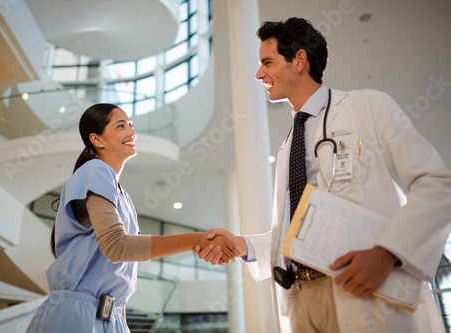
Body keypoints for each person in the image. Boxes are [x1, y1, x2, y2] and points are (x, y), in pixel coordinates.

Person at [195, 17, 451, 333]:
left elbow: (437, 184)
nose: (259, 74)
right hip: (301, 299)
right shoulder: (290, 143)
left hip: (361, 290)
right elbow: (297, 232)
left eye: (267, 62)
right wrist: (242, 244)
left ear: (299, 60)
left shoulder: (367, 107)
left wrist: (388, 253)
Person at [27, 103, 238, 333]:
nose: (131, 132)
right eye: (121, 126)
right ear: (97, 140)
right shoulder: (95, 170)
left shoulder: (123, 197)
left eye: (131, 125)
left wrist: (121, 317)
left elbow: (123, 267)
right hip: (79, 316)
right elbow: (117, 247)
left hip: (113, 316)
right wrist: (197, 240)